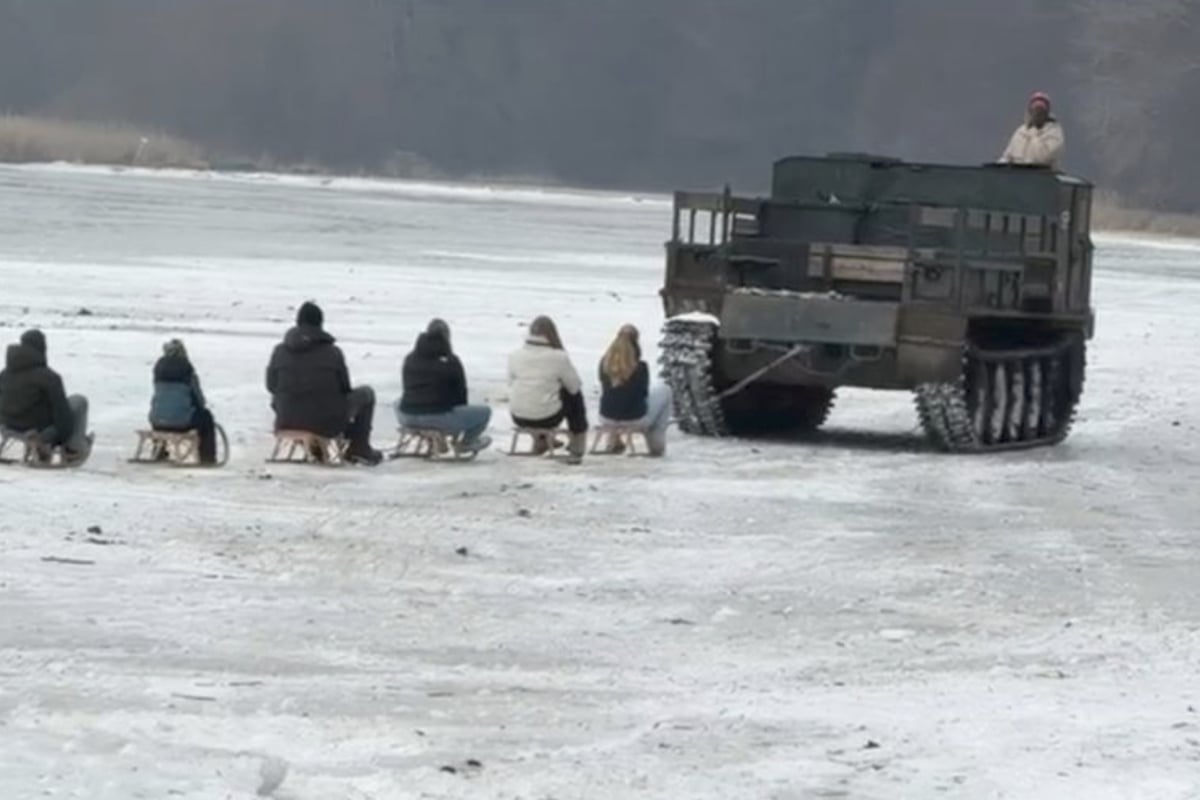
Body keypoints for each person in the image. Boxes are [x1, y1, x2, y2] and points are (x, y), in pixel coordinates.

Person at [265, 301, 382, 465]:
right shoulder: (333, 353)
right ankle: (359, 447)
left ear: (297, 322)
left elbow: (271, 386)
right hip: (325, 424)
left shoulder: (280, 351)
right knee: (366, 394)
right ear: (320, 324)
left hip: (286, 420)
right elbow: (345, 388)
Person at [396, 318, 492, 453]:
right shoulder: (451, 361)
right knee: (485, 412)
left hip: (408, 415)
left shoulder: (410, 358)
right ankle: (466, 443)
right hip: (437, 416)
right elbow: (460, 395)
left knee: (397, 401)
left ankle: (433, 439)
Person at [0, 328, 91, 463]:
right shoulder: (49, 377)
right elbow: (62, 414)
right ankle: (74, 448)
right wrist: (61, 437)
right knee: (79, 401)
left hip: (8, 426)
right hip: (40, 430)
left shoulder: (4, 374)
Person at [508, 315, 588, 463]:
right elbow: (574, 386)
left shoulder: (515, 356)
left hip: (518, 415)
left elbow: (510, 382)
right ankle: (578, 442)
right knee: (573, 396)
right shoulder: (558, 357)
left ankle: (541, 441)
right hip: (547, 417)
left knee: (535, 394)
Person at [597, 324, 672, 456]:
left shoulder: (604, 364)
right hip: (634, 418)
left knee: (616, 400)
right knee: (665, 391)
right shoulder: (641, 367)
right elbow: (643, 392)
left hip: (606, 416)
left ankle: (613, 441)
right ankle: (656, 445)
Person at [149, 338, 219, 464]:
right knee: (206, 418)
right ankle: (208, 458)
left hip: (157, 421)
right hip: (181, 422)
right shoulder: (187, 370)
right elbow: (199, 399)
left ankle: (159, 450)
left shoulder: (158, 370)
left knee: (162, 409)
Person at [999, 91, 1064, 170]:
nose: (1037, 114)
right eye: (1035, 110)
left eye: (1041, 111)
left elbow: (1043, 158)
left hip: (1044, 176)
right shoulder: (1020, 132)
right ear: (1030, 110)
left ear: (1047, 113)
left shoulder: (1054, 132)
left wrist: (1035, 131)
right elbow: (1008, 156)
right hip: (1018, 175)